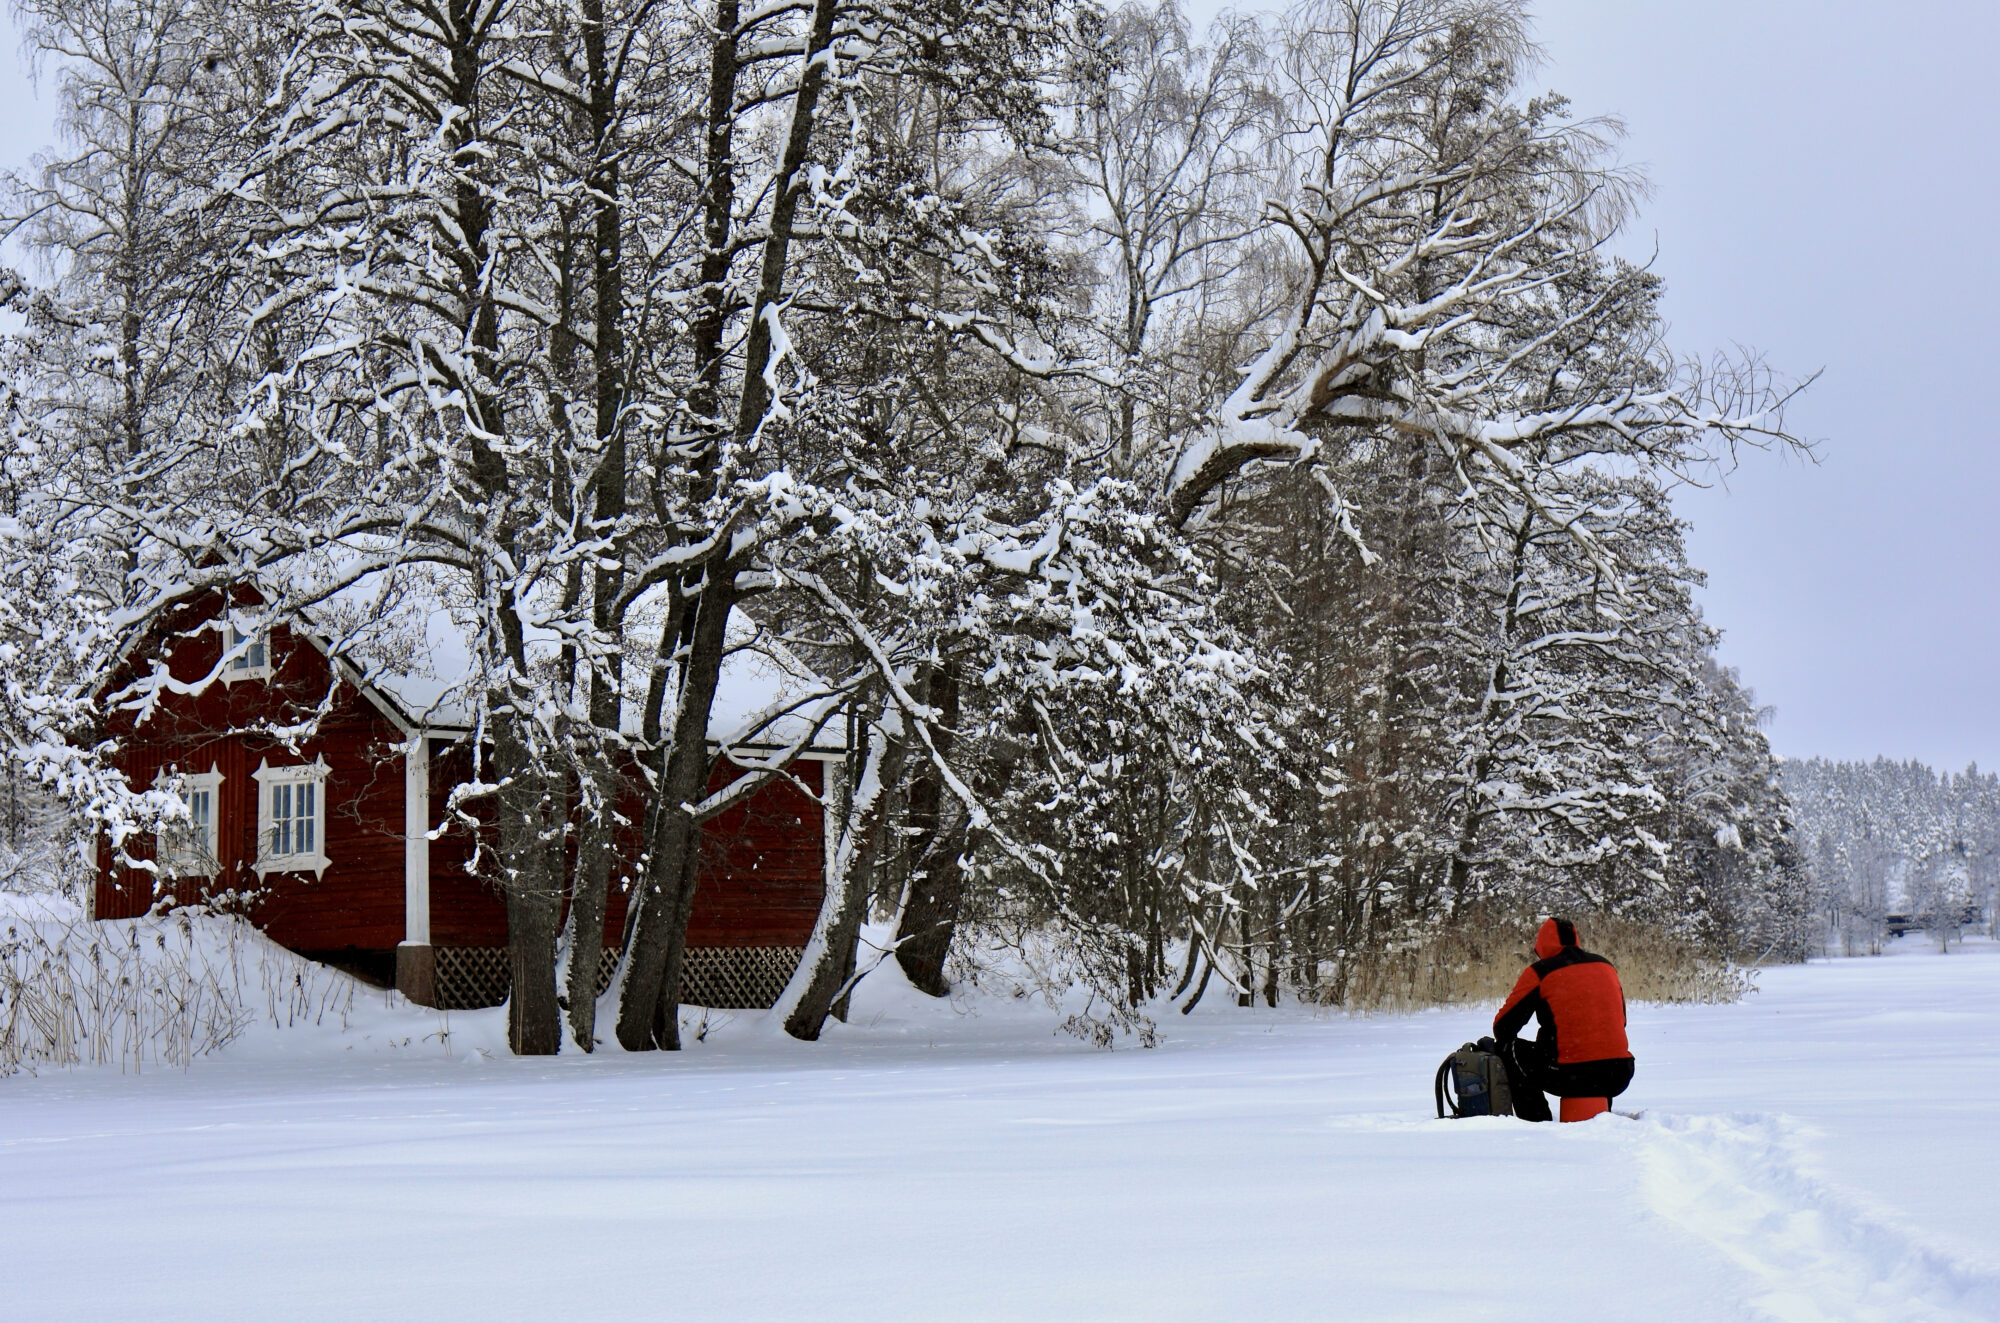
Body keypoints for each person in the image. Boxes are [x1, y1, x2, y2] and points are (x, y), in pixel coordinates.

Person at [1493, 917, 1634, 1122]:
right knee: (1599, 1052)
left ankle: (1536, 1121)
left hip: (1571, 1076)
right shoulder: (1605, 966)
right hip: (1619, 1073)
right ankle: (1602, 1112)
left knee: (1508, 1049)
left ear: (1541, 946)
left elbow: (1503, 1028)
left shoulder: (1541, 971)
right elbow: (1620, 1021)